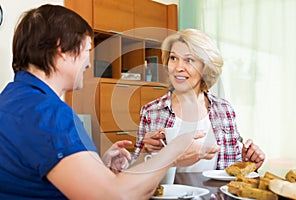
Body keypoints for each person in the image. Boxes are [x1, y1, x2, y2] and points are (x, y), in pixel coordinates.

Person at [0, 5, 221, 199]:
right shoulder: (47, 114)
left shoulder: (13, 100)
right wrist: (174, 151)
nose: (88, 64)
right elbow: (117, 196)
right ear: (62, 51)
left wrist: (98, 167)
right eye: (87, 50)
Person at [135, 29, 265, 173]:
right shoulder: (151, 111)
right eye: (173, 58)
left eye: (189, 60)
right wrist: (144, 152)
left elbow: (233, 164)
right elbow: (133, 174)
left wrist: (248, 162)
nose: (178, 67)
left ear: (205, 67)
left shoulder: (224, 109)